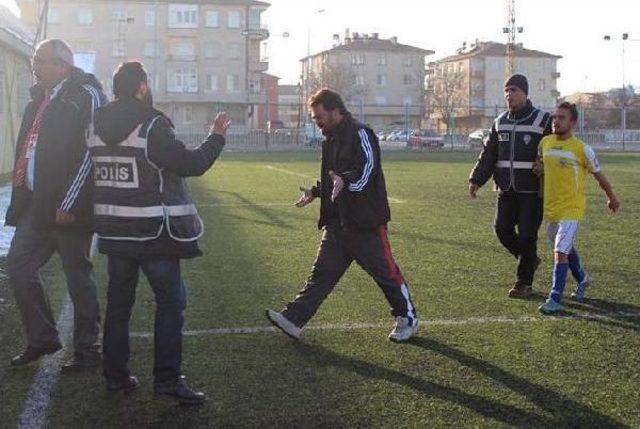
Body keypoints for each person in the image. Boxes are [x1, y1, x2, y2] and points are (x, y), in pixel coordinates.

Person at [90, 62, 230, 404]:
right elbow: (190, 164)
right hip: (154, 233)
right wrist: (217, 137)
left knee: (119, 305)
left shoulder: (93, 124)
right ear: (141, 87)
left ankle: (115, 376)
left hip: (114, 231)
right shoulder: (152, 124)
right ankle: (167, 382)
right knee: (171, 303)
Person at [266, 88, 418, 342]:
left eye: (319, 116)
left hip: (365, 222)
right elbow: (333, 178)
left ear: (335, 111)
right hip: (337, 223)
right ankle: (293, 320)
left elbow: (367, 171)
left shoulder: (361, 133)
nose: (317, 122)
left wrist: (345, 182)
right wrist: (316, 191)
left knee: (386, 274)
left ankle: (408, 319)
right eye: (315, 118)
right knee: (321, 276)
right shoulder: (331, 140)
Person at [6, 39, 106, 370]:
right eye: (35, 60)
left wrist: (71, 200)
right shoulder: (39, 99)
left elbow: (93, 150)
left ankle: (88, 350)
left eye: (41, 61)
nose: (35, 66)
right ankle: (42, 338)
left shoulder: (85, 94)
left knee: (77, 276)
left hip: (69, 205)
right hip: (35, 203)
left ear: (62, 64)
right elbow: (29, 148)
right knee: (19, 267)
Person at [468, 74, 552, 298]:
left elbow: (553, 149)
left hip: (532, 191)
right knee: (501, 229)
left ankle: (523, 283)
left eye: (513, 90)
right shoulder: (500, 121)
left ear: (525, 93)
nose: (509, 95)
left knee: (527, 235)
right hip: (506, 188)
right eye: (506, 91)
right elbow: (489, 153)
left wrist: (543, 164)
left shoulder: (543, 120)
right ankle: (530, 260)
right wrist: (476, 179)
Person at [536, 102, 620, 314]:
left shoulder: (582, 149)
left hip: (571, 209)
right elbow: (540, 166)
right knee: (564, 248)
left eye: (562, 117)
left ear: (573, 122)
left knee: (560, 251)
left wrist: (611, 197)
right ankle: (582, 278)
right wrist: (539, 171)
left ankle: (554, 299)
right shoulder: (545, 142)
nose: (556, 121)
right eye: (555, 116)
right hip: (551, 208)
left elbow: (599, 175)